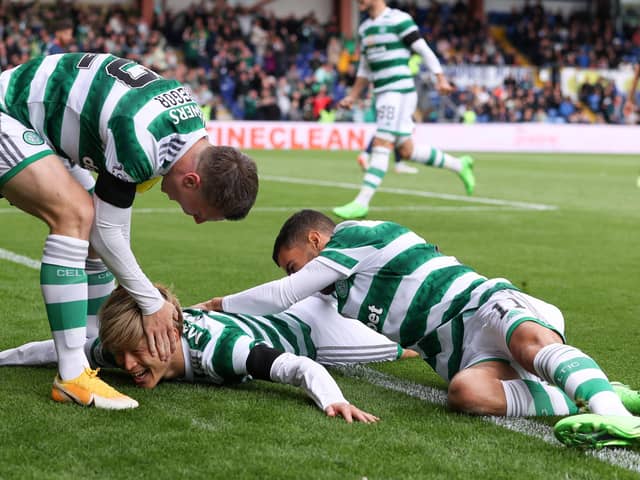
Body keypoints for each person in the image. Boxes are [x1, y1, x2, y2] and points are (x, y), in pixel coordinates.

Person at [197, 209, 640, 449]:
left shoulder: (355, 236)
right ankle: (591, 390)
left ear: (316, 240)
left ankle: (616, 418)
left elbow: (283, 295)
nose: (298, 276)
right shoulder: (341, 292)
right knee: (466, 394)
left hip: (481, 304)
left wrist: (217, 304)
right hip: (459, 353)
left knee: (527, 345)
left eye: (295, 264)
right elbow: (342, 336)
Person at [0, 53, 259, 409]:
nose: (194, 219)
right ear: (192, 180)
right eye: (200, 213)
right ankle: (72, 374)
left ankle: (88, 350)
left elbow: (107, 234)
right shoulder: (143, 140)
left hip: (41, 129)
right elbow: (108, 233)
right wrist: (151, 303)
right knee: (74, 215)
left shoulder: (188, 133)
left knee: (89, 226)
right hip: (9, 113)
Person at [1, 286, 387, 423]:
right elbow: (56, 351)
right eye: (121, 358)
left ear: (170, 336)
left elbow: (298, 366)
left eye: (137, 353)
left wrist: (334, 400)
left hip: (313, 334)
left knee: (404, 347)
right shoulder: (123, 348)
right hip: (259, 320)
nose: (128, 366)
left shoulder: (222, 352)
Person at [333, 0, 475, 220]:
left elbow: (423, 49)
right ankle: (460, 165)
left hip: (398, 91)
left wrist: (440, 78)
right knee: (406, 151)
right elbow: (364, 69)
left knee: (382, 142)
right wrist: (352, 96)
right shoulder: (364, 28)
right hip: (382, 93)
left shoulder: (399, 20)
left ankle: (362, 202)